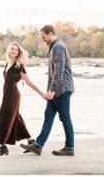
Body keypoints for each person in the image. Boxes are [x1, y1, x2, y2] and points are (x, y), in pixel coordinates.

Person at [20, 24, 75, 156]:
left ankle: (69, 148)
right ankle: (38, 145)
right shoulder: (53, 47)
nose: (43, 39)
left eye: (44, 37)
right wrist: (51, 90)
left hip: (61, 90)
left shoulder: (58, 47)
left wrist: (52, 91)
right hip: (56, 90)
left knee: (65, 118)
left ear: (51, 34)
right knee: (48, 116)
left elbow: (59, 71)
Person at [0, 42, 46, 156]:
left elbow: (28, 82)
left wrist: (41, 93)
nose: (14, 51)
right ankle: (31, 141)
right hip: (7, 95)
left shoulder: (19, 66)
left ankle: (3, 146)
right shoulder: (7, 63)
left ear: (18, 53)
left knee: (2, 119)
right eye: (12, 49)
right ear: (9, 50)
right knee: (17, 120)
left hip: (13, 96)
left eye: (16, 50)